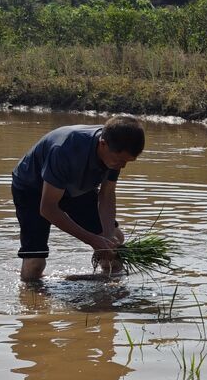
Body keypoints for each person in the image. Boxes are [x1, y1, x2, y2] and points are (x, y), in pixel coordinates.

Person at [11, 116, 146, 282]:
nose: (122, 166)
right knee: (35, 264)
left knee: (115, 242)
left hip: (75, 188)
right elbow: (48, 208)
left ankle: (105, 292)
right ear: (102, 144)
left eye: (127, 162)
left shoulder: (115, 152)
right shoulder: (65, 150)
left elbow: (107, 194)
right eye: (120, 160)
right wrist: (93, 240)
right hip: (32, 188)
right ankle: (31, 298)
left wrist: (107, 236)